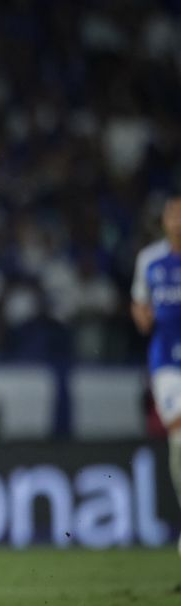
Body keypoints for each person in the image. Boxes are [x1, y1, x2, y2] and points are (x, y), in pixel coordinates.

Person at [131, 195, 181, 556]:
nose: (178, 221)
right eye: (173, 215)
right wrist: (142, 317)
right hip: (167, 362)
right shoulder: (149, 260)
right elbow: (139, 305)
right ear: (164, 220)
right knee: (179, 433)